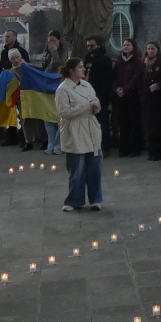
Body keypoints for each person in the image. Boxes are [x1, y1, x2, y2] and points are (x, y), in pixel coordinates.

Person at [55, 57, 103, 212]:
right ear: (71, 70)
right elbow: (64, 112)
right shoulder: (63, 89)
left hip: (90, 127)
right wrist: (86, 106)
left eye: (83, 67)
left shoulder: (86, 85)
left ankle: (96, 199)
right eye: (80, 67)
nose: (84, 69)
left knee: (94, 167)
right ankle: (74, 200)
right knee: (77, 168)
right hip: (74, 129)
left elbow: (96, 102)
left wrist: (96, 106)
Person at [111, 38, 144, 157]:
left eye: (128, 45)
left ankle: (135, 148)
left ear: (133, 47)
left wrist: (125, 89)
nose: (125, 47)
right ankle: (123, 148)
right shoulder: (119, 61)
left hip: (132, 96)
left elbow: (136, 78)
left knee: (134, 122)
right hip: (121, 97)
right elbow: (114, 77)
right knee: (122, 122)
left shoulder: (138, 61)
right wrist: (117, 88)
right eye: (124, 45)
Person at [7, 50, 46, 152]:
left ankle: (44, 140)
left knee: (38, 118)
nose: (15, 60)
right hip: (21, 98)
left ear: (20, 57)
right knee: (25, 120)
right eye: (12, 59)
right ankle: (28, 141)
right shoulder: (11, 72)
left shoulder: (30, 68)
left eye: (17, 57)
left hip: (33, 96)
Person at [84, 35, 115, 154]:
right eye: (88, 46)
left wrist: (102, 97)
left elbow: (108, 80)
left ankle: (104, 147)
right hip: (88, 95)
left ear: (98, 45)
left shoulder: (104, 59)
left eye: (92, 46)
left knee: (102, 123)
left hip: (101, 96)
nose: (89, 48)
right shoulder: (87, 58)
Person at [142, 41, 161, 160]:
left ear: (157, 50)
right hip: (147, 99)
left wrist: (158, 85)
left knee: (160, 127)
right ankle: (152, 151)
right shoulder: (144, 63)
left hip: (159, 99)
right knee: (149, 127)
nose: (150, 51)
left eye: (152, 49)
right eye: (148, 49)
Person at [0, 30, 31, 146]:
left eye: (8, 36)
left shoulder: (22, 51)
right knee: (10, 111)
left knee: (22, 113)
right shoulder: (4, 52)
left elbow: (27, 69)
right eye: (4, 36)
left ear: (14, 37)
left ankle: (24, 137)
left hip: (21, 86)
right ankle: (11, 135)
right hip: (10, 86)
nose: (5, 38)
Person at [41, 31, 66, 155]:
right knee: (48, 117)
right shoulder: (45, 51)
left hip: (57, 85)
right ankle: (51, 144)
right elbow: (44, 66)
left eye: (54, 40)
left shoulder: (63, 51)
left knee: (58, 117)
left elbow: (60, 66)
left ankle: (59, 145)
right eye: (49, 40)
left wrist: (54, 52)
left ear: (58, 41)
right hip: (47, 85)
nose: (51, 43)